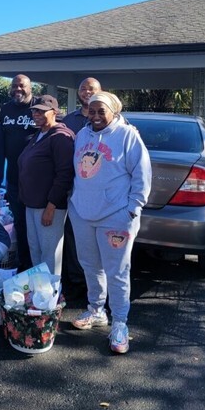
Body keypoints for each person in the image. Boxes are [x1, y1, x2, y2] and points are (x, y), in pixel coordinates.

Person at [69, 91, 152, 354]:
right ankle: (96, 310)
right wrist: (74, 202)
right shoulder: (82, 135)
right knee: (90, 265)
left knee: (117, 272)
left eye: (100, 111)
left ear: (113, 111)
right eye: (91, 111)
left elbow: (142, 174)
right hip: (83, 214)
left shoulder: (127, 136)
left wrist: (132, 209)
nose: (94, 116)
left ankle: (120, 323)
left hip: (116, 216)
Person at [17, 96, 75, 276]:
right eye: (34, 110)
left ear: (54, 112)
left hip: (49, 207)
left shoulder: (61, 137)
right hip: (32, 205)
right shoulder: (39, 134)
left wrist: (51, 206)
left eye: (42, 111)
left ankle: (51, 298)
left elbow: (64, 175)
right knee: (36, 251)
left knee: (50, 256)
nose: (36, 114)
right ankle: (39, 295)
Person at [62, 77, 102, 299]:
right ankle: (76, 278)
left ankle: (95, 280)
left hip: (98, 190)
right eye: (84, 89)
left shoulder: (112, 121)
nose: (87, 92)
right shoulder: (69, 120)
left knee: (97, 235)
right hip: (74, 187)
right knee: (73, 232)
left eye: (92, 89)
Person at [0, 74, 38, 270]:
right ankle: (24, 265)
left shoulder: (40, 107)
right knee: (20, 225)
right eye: (14, 86)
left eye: (22, 86)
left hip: (37, 182)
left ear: (31, 88)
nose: (18, 89)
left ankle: (41, 266)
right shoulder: (5, 109)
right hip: (14, 180)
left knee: (37, 227)